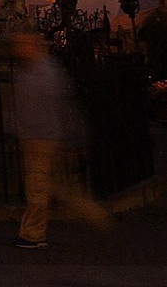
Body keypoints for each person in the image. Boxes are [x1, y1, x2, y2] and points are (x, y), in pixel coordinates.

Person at [10, 29, 112, 248]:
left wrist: (72, 135)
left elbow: (62, 106)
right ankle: (96, 213)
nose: (17, 47)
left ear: (34, 46)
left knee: (36, 188)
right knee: (57, 186)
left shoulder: (43, 72)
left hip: (41, 138)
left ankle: (32, 235)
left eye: (22, 43)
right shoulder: (32, 70)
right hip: (39, 137)